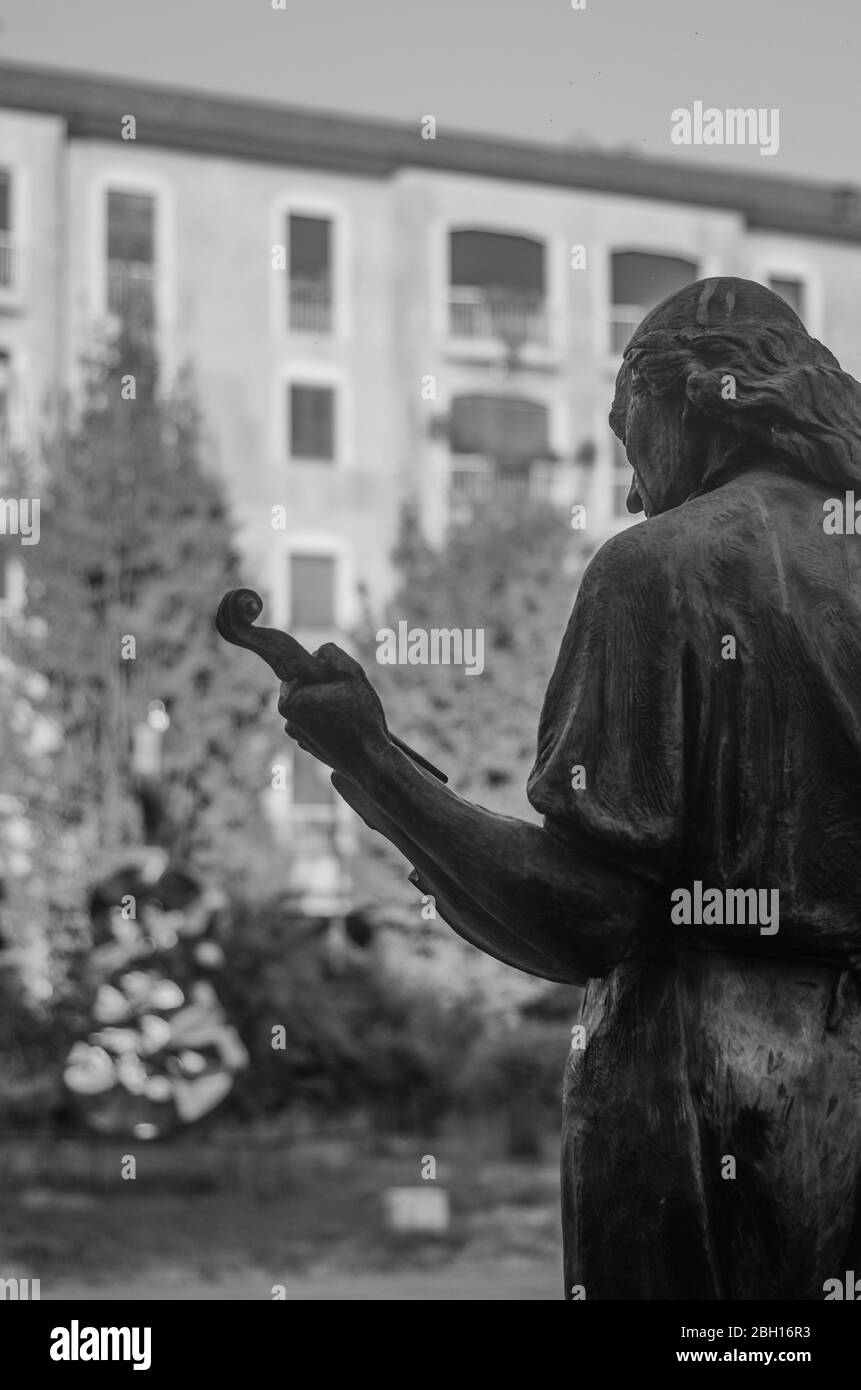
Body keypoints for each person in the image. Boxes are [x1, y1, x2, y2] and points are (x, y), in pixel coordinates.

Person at [276, 278, 861, 1300]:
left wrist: (371, 762)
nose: (635, 489)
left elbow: (583, 915)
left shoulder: (664, 567)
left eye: (629, 436)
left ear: (693, 399)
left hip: (703, 1100)